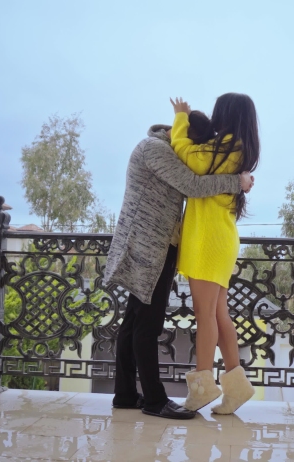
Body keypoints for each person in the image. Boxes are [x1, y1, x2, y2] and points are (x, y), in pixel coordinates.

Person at [103, 121, 255, 420]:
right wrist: (236, 182)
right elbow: (193, 185)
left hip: (154, 244)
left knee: (134, 319)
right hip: (149, 246)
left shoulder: (158, 148)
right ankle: (154, 400)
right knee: (147, 322)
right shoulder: (155, 149)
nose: (191, 150)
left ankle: (124, 393)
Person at [169, 93, 260, 414]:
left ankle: (203, 386)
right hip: (217, 237)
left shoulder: (227, 147)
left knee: (205, 315)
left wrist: (181, 118)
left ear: (226, 114)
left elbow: (188, 155)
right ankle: (236, 388)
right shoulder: (237, 149)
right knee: (219, 315)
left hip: (208, 240)